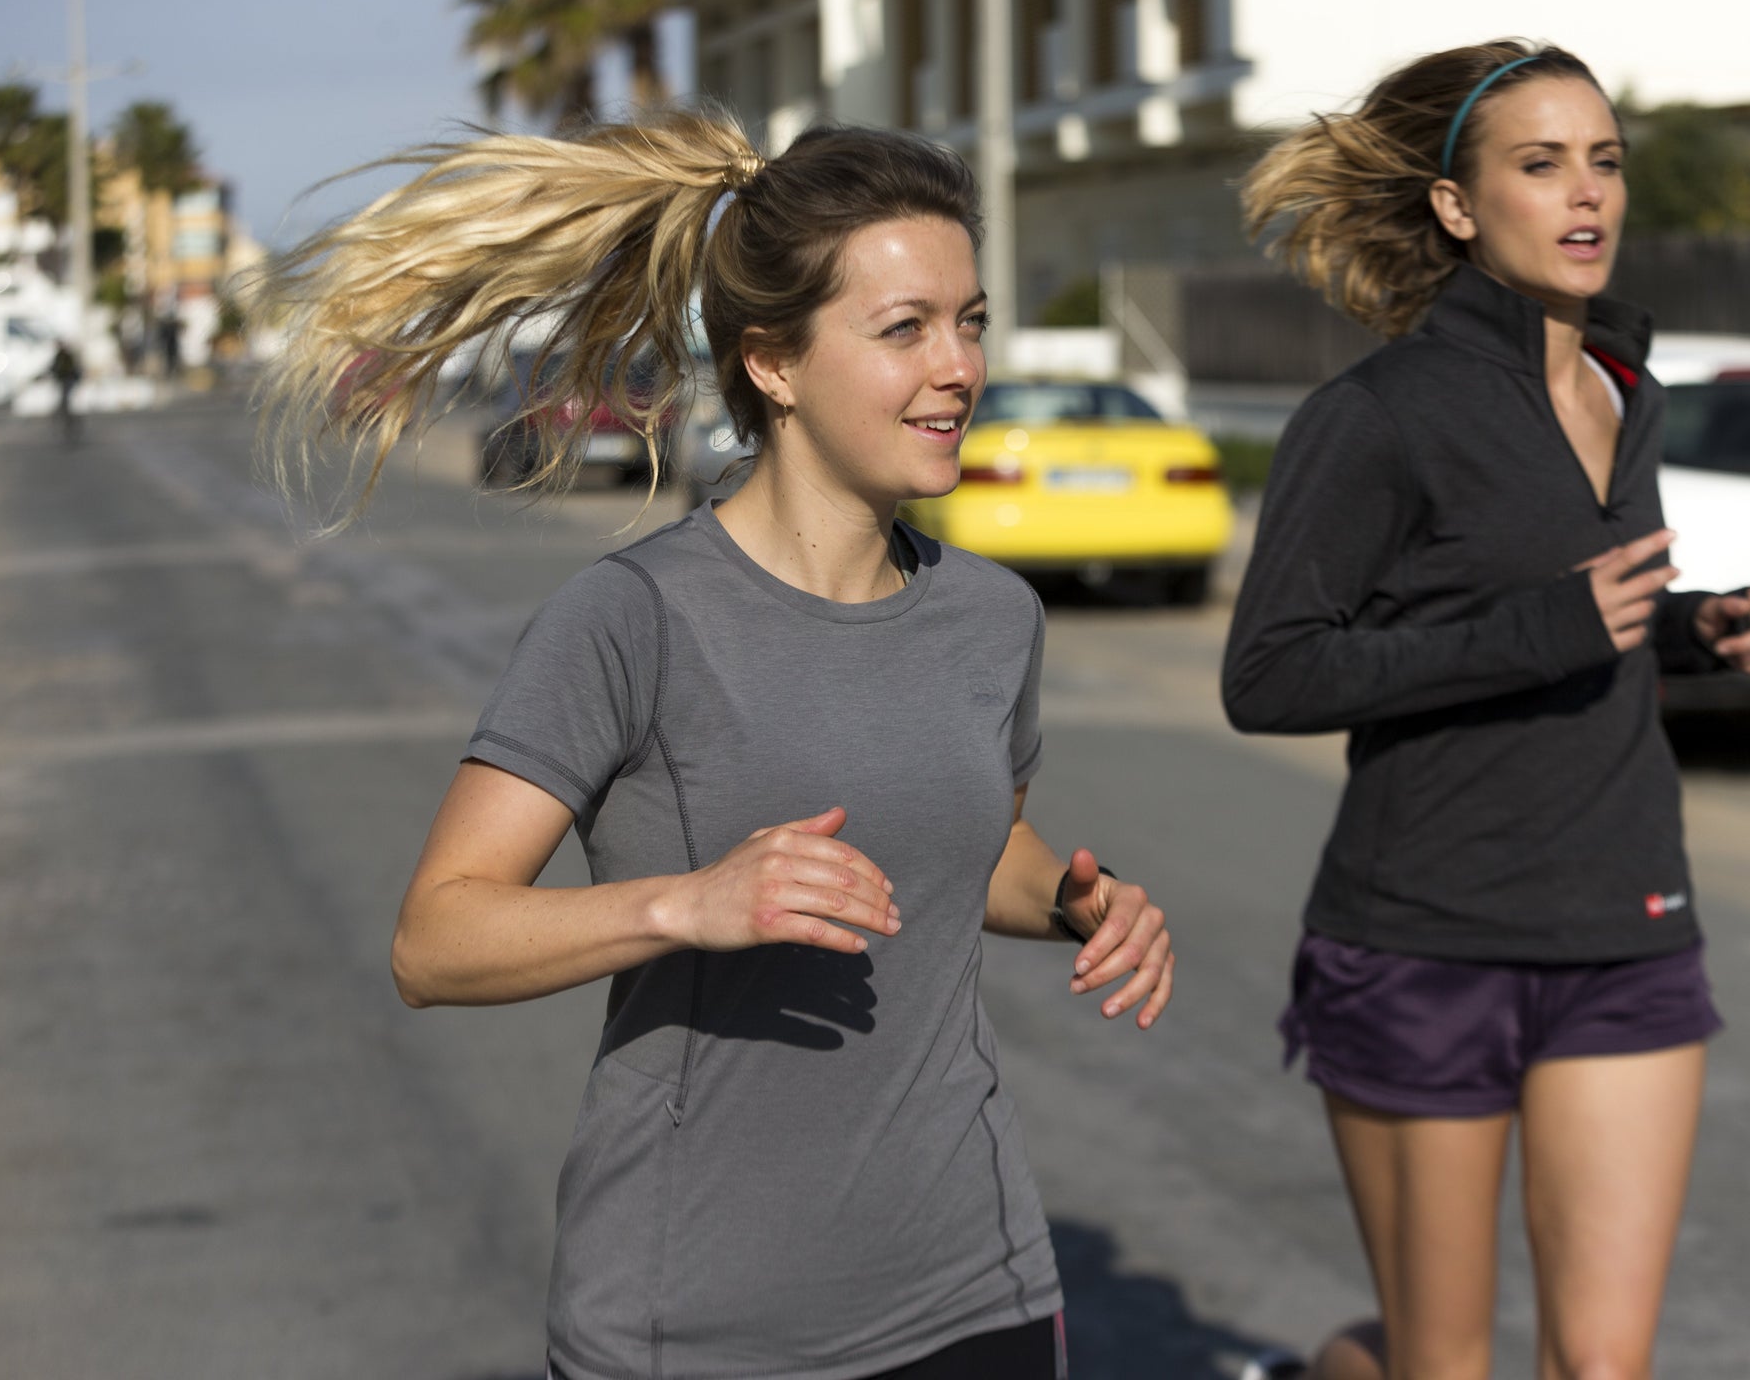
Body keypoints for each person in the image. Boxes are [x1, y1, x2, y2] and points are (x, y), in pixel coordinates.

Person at [258, 112, 1175, 1380]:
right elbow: (435, 939)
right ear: (775, 362)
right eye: (904, 328)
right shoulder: (630, 617)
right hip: (696, 1327)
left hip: (978, 1288)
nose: (959, 364)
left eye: (970, 318)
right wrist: (688, 904)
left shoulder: (990, 614)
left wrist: (1081, 897)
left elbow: (977, 845)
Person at [1223, 42, 1750, 1380]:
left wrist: (1694, 625)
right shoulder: (1376, 417)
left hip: (1627, 924)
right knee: (1443, 1366)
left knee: (1602, 1367)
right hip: (1428, 941)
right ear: (1458, 207)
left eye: (1604, 161)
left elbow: (1577, 604)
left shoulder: (1622, 385)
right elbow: (1272, 672)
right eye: (1540, 165)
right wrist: (1545, 629)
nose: (1586, 195)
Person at [47, 341, 82, 446]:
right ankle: (68, 422)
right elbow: (53, 368)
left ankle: (70, 423)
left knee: (65, 403)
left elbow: (70, 370)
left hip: (68, 382)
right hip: (64, 382)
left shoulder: (66, 356)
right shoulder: (59, 356)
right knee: (64, 404)